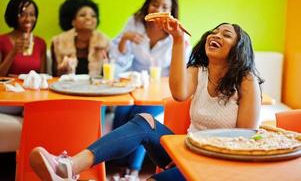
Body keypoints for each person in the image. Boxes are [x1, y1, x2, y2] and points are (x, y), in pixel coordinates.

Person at [29, 20, 263, 180]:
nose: (216, 35)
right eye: (215, 31)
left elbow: (245, 138)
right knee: (144, 120)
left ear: (238, 48)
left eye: (226, 34)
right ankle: (68, 167)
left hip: (218, 163)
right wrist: (178, 39)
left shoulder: (246, 80)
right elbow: (179, 93)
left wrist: (196, 156)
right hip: (187, 149)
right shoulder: (199, 71)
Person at [109, 0, 191, 177]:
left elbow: (181, 70)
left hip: (160, 89)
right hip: (133, 85)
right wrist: (124, 39)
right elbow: (119, 60)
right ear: (147, 5)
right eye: (155, 4)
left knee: (143, 115)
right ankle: (118, 165)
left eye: (164, 7)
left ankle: (133, 170)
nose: (159, 10)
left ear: (171, 11)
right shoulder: (134, 23)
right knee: (121, 113)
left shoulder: (175, 32)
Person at [0, 0, 46, 115]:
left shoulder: (41, 43)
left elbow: (43, 76)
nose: (28, 19)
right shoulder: (2, 40)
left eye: (32, 14)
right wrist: (13, 52)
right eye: (22, 14)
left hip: (32, 97)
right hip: (9, 97)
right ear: (12, 15)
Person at [51, 0, 110, 77]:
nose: (89, 18)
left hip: (95, 88)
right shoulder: (59, 42)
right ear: (73, 21)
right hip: (67, 88)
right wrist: (63, 70)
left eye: (93, 16)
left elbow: (107, 75)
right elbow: (55, 75)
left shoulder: (103, 42)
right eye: (82, 15)